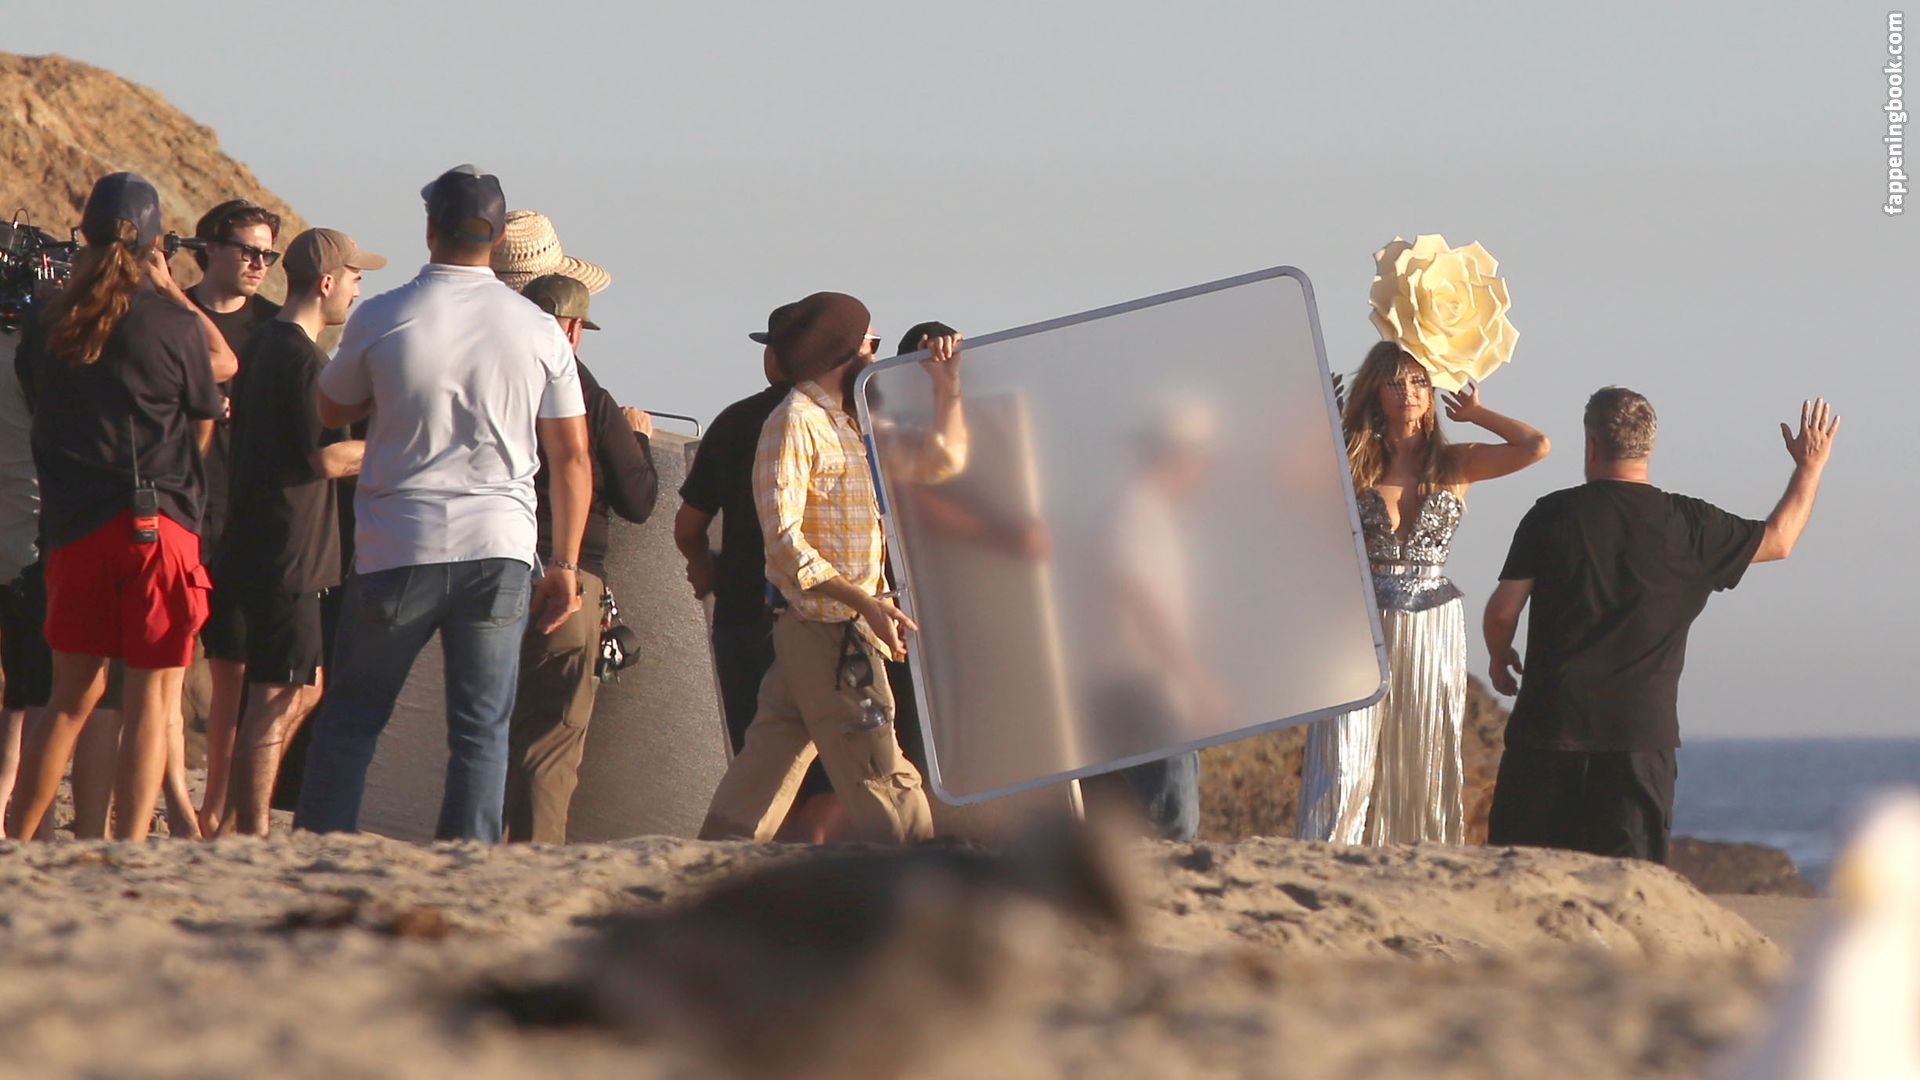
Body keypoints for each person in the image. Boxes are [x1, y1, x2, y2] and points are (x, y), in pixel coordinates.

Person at [292, 165, 591, 843]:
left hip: (400, 542)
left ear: (431, 228)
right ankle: (469, 865)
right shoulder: (539, 329)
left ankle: (320, 853)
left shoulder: (384, 314)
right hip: (500, 545)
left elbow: (331, 407)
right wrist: (566, 564)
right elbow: (572, 456)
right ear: (497, 238)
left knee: (354, 718)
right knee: (482, 730)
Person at [1483, 389, 1838, 863]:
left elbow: (1503, 611)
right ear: (1649, 447)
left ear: (1591, 444)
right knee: (1628, 884)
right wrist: (1810, 467)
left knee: (1524, 878)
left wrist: (1499, 655)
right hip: (1638, 738)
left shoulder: (1551, 514)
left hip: (1549, 729)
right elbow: (1780, 540)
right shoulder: (1690, 524)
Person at [5, 172, 226, 842]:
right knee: (152, 702)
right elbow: (203, 415)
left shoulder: (48, 319)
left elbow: (39, 403)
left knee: (68, 700)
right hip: (160, 523)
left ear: (85, 235)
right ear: (156, 243)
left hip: (76, 528)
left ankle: (20, 838)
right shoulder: (171, 322)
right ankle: (127, 846)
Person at [698, 292, 964, 844]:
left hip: (826, 628)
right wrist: (866, 602)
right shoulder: (793, 422)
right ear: (846, 349)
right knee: (879, 764)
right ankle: (919, 867)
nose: (876, 352)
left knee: (766, 760)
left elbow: (941, 463)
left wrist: (948, 390)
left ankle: (710, 863)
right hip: (831, 631)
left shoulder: (848, 422)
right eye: (871, 340)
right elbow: (783, 544)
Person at [1297, 341, 1550, 845]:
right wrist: (1323, 426)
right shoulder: (1352, 461)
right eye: (1395, 382)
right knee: (1344, 757)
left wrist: (1477, 414)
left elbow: (1535, 446)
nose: (1408, 392)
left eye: (1418, 382)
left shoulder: (1456, 463)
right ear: (1375, 391)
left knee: (1424, 753)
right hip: (1358, 621)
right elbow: (1286, 483)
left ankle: (1418, 857)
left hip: (1431, 622)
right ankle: (1325, 854)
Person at [209, 228, 382, 836]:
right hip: (287, 550)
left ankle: (236, 820)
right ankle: (251, 828)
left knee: (300, 687)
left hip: (257, 539)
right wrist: (398, 446)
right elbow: (327, 459)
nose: (358, 291)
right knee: (278, 692)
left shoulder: (260, 343)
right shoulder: (303, 359)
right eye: (356, 278)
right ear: (328, 282)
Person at [503, 272, 657, 844]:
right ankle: (532, 865)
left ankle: (471, 852)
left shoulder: (491, 378)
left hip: (486, 566)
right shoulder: (585, 392)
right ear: (571, 331)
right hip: (565, 580)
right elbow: (639, 499)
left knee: (486, 728)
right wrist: (638, 440)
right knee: (551, 739)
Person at [186, 198, 284, 835]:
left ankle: (215, 807)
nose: (258, 263)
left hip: (246, 517)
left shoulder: (274, 329)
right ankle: (167, 795)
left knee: (233, 674)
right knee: (156, 669)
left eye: (268, 254)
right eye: (248, 250)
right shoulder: (173, 314)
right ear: (210, 249)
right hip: (177, 508)